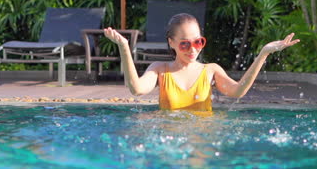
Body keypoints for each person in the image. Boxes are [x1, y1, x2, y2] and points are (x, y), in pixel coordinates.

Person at [103, 13, 300, 111]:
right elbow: (136, 89)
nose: (193, 49)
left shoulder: (210, 70)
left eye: (198, 42)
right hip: (169, 141)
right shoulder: (160, 70)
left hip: (202, 142)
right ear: (171, 43)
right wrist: (124, 47)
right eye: (185, 44)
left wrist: (264, 53)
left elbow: (238, 91)